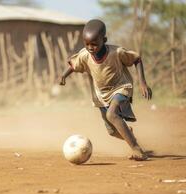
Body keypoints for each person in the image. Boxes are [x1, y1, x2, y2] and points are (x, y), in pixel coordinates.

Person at [59, 19, 152, 161]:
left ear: (104, 40)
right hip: (101, 96)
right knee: (112, 132)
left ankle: (137, 150)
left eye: (94, 44)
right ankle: (128, 134)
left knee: (111, 114)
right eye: (87, 44)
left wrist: (143, 83)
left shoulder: (116, 52)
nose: (91, 47)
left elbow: (136, 59)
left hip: (121, 87)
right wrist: (63, 76)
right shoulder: (85, 55)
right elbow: (74, 65)